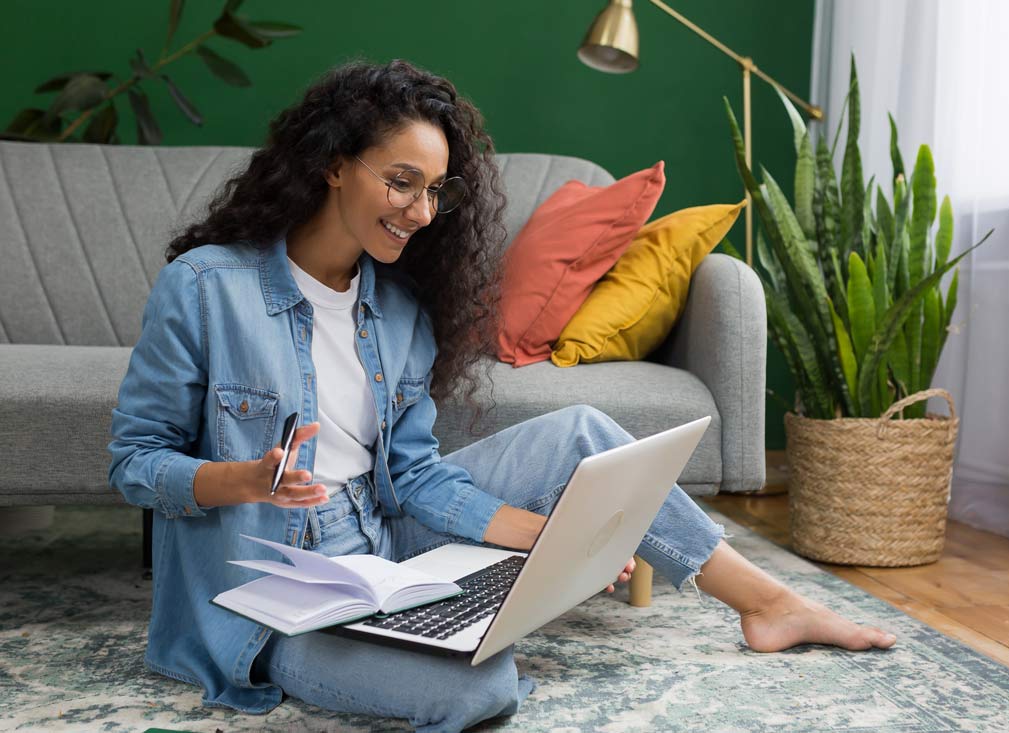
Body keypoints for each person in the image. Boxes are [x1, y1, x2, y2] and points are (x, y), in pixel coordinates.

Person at [108, 58, 895, 733]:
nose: (420, 212)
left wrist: (538, 534)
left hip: (383, 543)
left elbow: (412, 477)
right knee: (480, 685)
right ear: (333, 164)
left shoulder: (401, 311)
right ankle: (429, 630)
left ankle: (766, 601)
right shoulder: (206, 287)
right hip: (271, 592)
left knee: (583, 429)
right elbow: (134, 462)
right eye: (400, 182)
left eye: (433, 191)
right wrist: (236, 479)